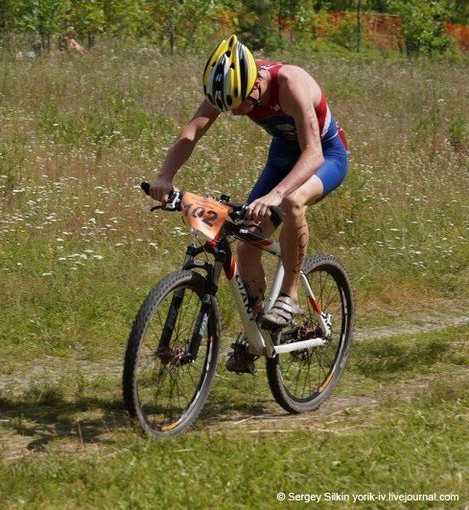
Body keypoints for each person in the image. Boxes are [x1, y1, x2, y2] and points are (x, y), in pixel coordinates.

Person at [148, 35, 348, 372]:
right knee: (247, 243)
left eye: (239, 104)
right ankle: (257, 330)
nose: (235, 112)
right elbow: (192, 132)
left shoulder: (290, 83)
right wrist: (165, 177)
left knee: (294, 202)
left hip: (325, 156)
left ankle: (290, 296)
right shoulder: (228, 88)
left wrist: (275, 196)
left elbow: (313, 152)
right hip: (284, 156)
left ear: (254, 84)